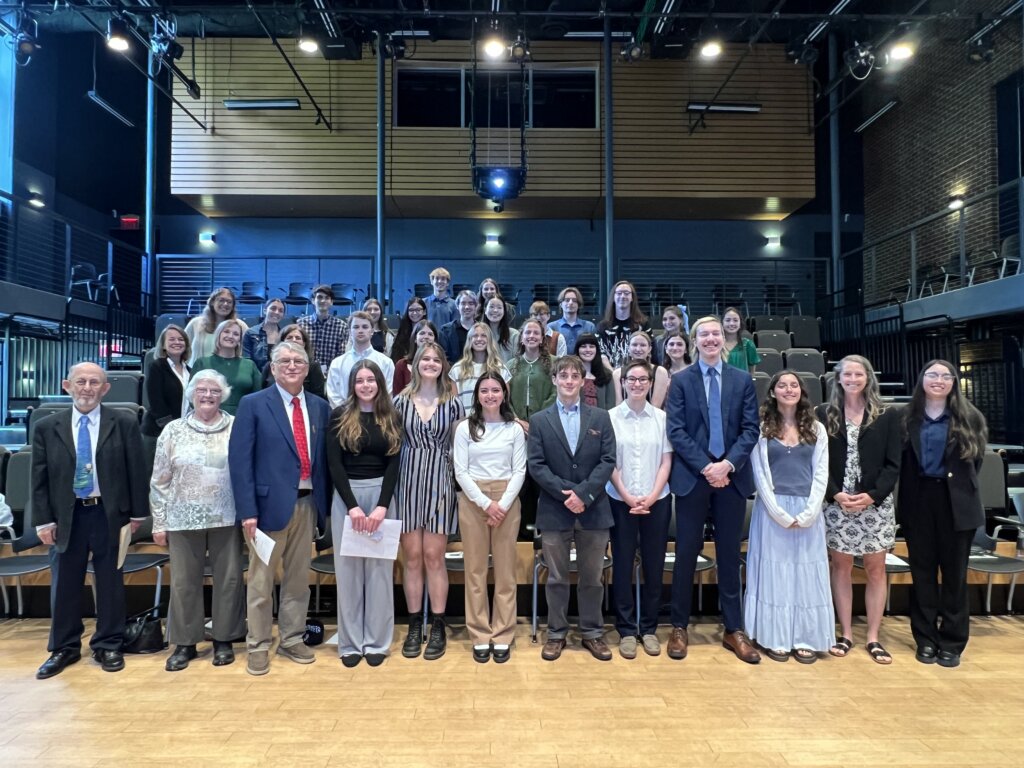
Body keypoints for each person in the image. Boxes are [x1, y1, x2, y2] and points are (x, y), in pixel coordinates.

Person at [33, 362, 149, 679]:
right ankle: (64, 647)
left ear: (106, 388)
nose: (87, 388)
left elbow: (136, 471)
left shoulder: (123, 422)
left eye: (94, 382)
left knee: (110, 582)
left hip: (109, 513)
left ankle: (108, 643)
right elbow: (39, 479)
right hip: (65, 516)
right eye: (81, 381)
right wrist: (43, 521)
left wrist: (138, 514)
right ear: (66, 385)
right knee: (65, 583)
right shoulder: (47, 426)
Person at [229, 341, 332, 676]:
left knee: (298, 580)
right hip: (265, 508)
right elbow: (240, 462)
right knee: (260, 582)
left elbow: (324, 462)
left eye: (298, 361)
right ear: (272, 367)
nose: (291, 366)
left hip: (307, 504)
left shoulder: (319, 406)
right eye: (284, 361)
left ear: (307, 368)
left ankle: (291, 638)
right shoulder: (253, 404)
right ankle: (258, 644)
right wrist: (247, 510)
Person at [666, 315, 760, 664]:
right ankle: (679, 627)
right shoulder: (680, 381)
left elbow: (751, 429)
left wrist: (727, 465)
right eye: (703, 334)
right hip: (694, 478)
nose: (710, 339)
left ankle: (733, 629)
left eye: (715, 334)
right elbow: (675, 430)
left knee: (729, 555)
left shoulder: (742, 379)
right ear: (695, 341)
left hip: (731, 480)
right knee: (685, 555)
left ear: (724, 339)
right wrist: (707, 466)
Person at [150, 370, 245, 672]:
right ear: (191, 393)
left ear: (223, 396)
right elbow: (159, 480)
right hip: (181, 516)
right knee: (183, 582)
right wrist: (159, 521)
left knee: (229, 580)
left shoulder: (237, 427)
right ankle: (185, 643)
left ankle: (224, 640)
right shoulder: (173, 431)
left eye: (214, 391)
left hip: (227, 515)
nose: (207, 395)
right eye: (202, 389)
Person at [898, 360, 987, 668]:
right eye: (932, 375)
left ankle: (952, 642)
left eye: (945, 376)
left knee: (954, 577)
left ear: (953, 382)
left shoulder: (970, 417)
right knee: (922, 574)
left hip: (956, 503)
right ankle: (925, 639)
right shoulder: (907, 417)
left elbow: (974, 464)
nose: (938, 380)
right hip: (918, 501)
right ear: (922, 379)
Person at [528, 355, 617, 662]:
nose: (568, 380)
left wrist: (583, 494)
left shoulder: (601, 417)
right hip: (555, 509)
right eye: (562, 375)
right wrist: (566, 494)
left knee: (593, 578)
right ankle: (556, 633)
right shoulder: (540, 420)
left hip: (594, 510)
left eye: (573, 376)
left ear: (583, 381)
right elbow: (536, 465)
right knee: (556, 578)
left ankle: (592, 632)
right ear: (554, 380)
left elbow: (607, 460)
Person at [816, 354, 901, 665]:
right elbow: (818, 462)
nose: (852, 379)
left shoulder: (887, 415)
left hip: (874, 504)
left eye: (858, 374)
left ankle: (874, 637)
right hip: (838, 502)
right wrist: (836, 494)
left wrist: (871, 496)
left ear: (868, 378)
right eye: (847, 375)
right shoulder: (825, 414)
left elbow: (894, 464)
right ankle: (846, 633)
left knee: (876, 569)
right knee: (841, 567)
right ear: (838, 378)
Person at [743, 371, 833, 664]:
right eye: (782, 385)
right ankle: (776, 637)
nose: (788, 389)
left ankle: (806, 637)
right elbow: (760, 475)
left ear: (801, 392)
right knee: (775, 574)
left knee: (805, 575)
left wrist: (809, 512)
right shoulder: (761, 429)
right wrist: (779, 513)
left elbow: (821, 473)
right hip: (772, 511)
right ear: (772, 392)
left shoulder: (817, 429)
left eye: (794, 385)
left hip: (809, 510)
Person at [326, 360, 402, 668]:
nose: (366, 385)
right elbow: (334, 465)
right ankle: (350, 643)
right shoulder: (339, 416)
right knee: (349, 574)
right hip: (348, 499)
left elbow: (394, 464)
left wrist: (382, 506)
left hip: (383, 498)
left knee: (379, 574)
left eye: (371, 380)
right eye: (360, 380)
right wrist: (353, 506)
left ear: (380, 384)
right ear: (352, 385)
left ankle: (377, 642)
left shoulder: (391, 417)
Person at [393, 342, 466, 660]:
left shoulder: (454, 403)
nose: (431, 363)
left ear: (444, 365)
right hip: (407, 480)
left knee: (434, 557)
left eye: (437, 359)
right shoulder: (398, 401)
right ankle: (413, 625)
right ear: (415, 364)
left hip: (440, 478)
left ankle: (437, 624)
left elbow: (459, 446)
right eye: (426, 359)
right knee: (412, 558)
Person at [453, 373, 527, 663]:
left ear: (504, 394)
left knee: (506, 572)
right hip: (473, 500)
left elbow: (520, 470)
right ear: (477, 395)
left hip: (507, 498)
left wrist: (502, 504)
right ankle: (480, 633)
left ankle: (503, 633)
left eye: (496, 390)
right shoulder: (465, 429)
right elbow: (461, 471)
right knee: (475, 571)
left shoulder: (514, 428)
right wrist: (486, 503)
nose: (490, 395)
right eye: (484, 390)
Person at [607, 359, 672, 659]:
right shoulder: (609, 418)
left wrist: (651, 495)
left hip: (656, 502)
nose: (636, 384)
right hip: (620, 501)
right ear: (622, 383)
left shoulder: (661, 418)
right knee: (621, 565)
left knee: (653, 567)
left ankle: (648, 628)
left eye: (642, 379)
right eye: (631, 379)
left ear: (650, 383)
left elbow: (666, 462)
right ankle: (625, 629)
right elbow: (609, 463)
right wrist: (628, 496)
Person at [141, 324, 191, 468]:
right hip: (158, 432)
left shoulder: (190, 371)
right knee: (153, 477)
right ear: (163, 345)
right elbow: (156, 402)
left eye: (181, 339)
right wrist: (171, 429)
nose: (177, 342)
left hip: (182, 433)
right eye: (172, 339)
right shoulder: (157, 366)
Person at [192, 319, 262, 415]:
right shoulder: (202, 363)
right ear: (218, 335)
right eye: (226, 332)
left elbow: (258, 397)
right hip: (209, 418)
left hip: (243, 417)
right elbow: (192, 396)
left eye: (236, 334)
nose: (230, 336)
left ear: (239, 340)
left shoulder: (250, 365)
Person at [326, 311, 395, 408]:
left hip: (377, 417)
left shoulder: (386, 362)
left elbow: (387, 394)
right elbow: (333, 396)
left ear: (372, 331)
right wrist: (347, 416)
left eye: (365, 327)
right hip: (345, 418)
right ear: (350, 332)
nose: (360, 330)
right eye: (356, 327)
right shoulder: (337, 363)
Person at [450, 322, 512, 408]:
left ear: (490, 340)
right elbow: (454, 405)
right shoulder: (457, 369)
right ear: (469, 340)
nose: (479, 339)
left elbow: (505, 402)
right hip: (466, 420)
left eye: (484, 335)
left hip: (493, 420)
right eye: (475, 336)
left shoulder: (501, 369)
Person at [260, 323, 327, 400]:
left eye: (298, 338)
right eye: (289, 337)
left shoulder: (313, 367)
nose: (294, 340)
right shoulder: (269, 366)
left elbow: (318, 395)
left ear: (304, 343)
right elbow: (262, 391)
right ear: (282, 341)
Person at [596, 280, 653, 368]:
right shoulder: (603, 326)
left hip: (637, 373)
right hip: (610, 375)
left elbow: (649, 351)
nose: (622, 296)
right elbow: (601, 354)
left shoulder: (643, 324)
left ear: (632, 298)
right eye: (619, 293)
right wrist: (614, 374)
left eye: (626, 293)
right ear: (613, 297)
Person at [184, 287, 248, 365]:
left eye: (229, 302)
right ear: (212, 302)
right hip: (198, 373)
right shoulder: (196, 323)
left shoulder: (240, 326)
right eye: (221, 300)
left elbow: (247, 353)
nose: (225, 304)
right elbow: (183, 348)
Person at [297, 284, 349, 375]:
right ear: (313, 301)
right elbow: (297, 351)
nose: (323, 300)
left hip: (332, 374)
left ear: (332, 302)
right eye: (319, 297)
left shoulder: (341, 326)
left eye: (327, 298)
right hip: (305, 374)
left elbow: (341, 356)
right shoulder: (301, 324)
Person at [610, 331, 669, 408]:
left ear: (649, 349)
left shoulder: (660, 372)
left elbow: (656, 407)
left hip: (652, 418)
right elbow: (618, 405)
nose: (638, 349)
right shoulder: (617, 374)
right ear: (628, 348)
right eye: (634, 345)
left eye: (643, 345)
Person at [393, 320, 438, 396]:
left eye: (430, 334)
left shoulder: (441, 364)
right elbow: (397, 395)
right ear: (415, 338)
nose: (426, 337)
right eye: (422, 333)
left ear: (435, 340)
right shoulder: (401, 365)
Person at [242, 298, 286, 372]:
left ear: (283, 315)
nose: (277, 312)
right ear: (265, 310)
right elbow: (246, 361)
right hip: (255, 377)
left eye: (281, 311)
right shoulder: (250, 333)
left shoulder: (284, 336)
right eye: (273, 308)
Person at [548, 286, 596, 354]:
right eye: (567, 300)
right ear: (561, 304)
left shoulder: (589, 327)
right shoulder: (551, 327)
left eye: (574, 300)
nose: (570, 303)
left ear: (579, 305)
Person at [575, 333, 615, 410]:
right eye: (583, 346)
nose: (588, 350)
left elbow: (610, 404)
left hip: (600, 420)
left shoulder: (607, 375)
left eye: (591, 346)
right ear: (577, 350)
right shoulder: (571, 375)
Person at [439, 290, 479, 363]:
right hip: (453, 372)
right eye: (463, 303)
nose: (467, 307)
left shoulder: (483, 330)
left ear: (476, 306)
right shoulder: (445, 330)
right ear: (457, 306)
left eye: (471, 303)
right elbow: (443, 356)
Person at [722, 307, 760, 373]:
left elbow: (751, 372)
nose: (731, 323)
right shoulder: (716, 344)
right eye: (728, 320)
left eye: (735, 320)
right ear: (722, 323)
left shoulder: (748, 344)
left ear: (740, 324)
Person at [481, 296, 519, 363]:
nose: (495, 310)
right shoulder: (478, 335)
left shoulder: (514, 335)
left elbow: (517, 363)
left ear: (504, 311)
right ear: (485, 310)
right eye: (491, 307)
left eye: (499, 307)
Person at [390, 297, 428, 362]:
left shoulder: (429, 331)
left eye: (418, 310)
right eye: (411, 310)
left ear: (424, 312)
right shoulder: (402, 331)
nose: (414, 313)